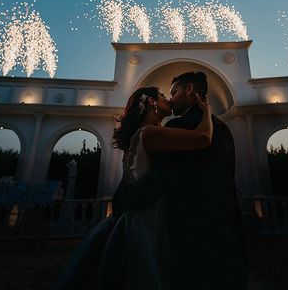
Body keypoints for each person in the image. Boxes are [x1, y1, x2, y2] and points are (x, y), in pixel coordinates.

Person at [54, 85, 213, 289]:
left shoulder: (138, 135)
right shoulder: (149, 133)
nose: (168, 99)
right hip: (145, 217)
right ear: (152, 102)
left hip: (130, 215)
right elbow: (204, 138)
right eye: (163, 96)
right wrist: (207, 110)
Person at [137, 71, 248, 290]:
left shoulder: (176, 127)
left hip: (185, 225)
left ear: (189, 90)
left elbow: (163, 177)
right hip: (223, 223)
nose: (170, 99)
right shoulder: (222, 127)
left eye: (174, 92)